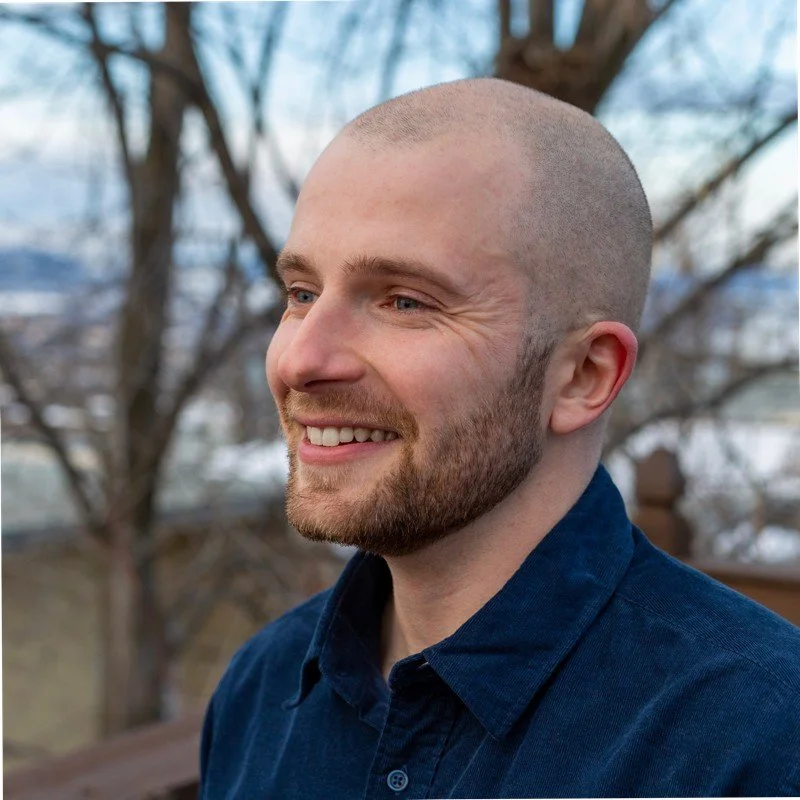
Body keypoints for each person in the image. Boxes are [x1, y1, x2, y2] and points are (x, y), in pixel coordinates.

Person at [199, 78, 800, 798]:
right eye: (300, 293)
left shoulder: (755, 738)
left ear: (582, 374)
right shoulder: (261, 690)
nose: (299, 359)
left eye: (404, 301)